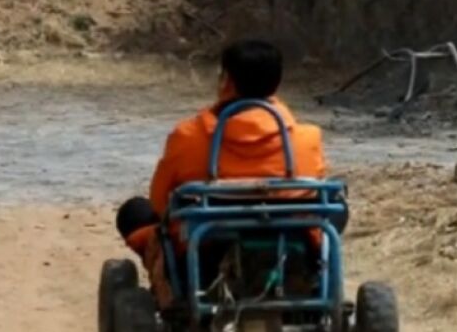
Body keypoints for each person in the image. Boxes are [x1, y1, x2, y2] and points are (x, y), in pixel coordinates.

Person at [114, 39, 342, 306]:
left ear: (227, 82)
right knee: (334, 206)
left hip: (205, 251)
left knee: (136, 212)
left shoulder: (188, 137)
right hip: (289, 244)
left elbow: (159, 201)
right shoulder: (307, 139)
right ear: (276, 83)